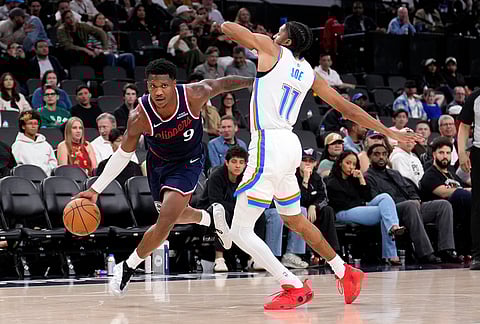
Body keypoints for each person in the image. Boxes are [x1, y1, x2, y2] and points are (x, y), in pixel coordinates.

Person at [219, 20, 418, 309]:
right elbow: (348, 109)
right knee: (294, 218)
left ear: (286, 41)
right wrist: (390, 132)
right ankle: (344, 270)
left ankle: (292, 285)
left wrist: (250, 34)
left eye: (280, 31)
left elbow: (228, 28)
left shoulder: (272, 49)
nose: (276, 33)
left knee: (240, 230)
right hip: (290, 144)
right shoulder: (308, 73)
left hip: (268, 143)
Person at [74, 59, 255, 296]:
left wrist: (254, 82)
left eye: (164, 86)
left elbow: (222, 83)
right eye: (152, 86)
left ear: (174, 84)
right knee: (176, 214)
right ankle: (208, 218)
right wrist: (95, 189)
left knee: (165, 222)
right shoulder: (140, 115)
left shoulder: (194, 95)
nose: (158, 91)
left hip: (188, 162)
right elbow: (122, 155)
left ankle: (126, 267)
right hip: (158, 164)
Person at [366, 143, 461, 264]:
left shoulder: (395, 173)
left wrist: (416, 198)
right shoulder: (368, 177)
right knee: (410, 205)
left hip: (412, 207)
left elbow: (410, 188)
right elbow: (375, 199)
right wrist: (412, 202)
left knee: (443, 205)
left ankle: (446, 250)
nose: (381, 157)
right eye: (377, 154)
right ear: (369, 157)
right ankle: (425, 253)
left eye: (384, 154)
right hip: (392, 212)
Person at [420, 136, 472, 260]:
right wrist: (466, 191)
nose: (445, 156)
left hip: (461, 211)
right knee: (461, 194)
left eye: (448, 153)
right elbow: (444, 192)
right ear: (434, 154)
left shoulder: (452, 173)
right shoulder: (429, 175)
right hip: (441, 211)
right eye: (441, 153)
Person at [457, 89, 480, 270]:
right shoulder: (475, 96)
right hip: (479, 151)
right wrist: (462, 151)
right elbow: (464, 126)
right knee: (478, 205)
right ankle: (478, 255)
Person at [11, 110, 57, 176]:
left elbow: (53, 163)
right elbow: (18, 166)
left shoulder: (46, 145)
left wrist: (46, 172)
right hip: (26, 180)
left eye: (35, 123)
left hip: (46, 180)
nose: (33, 126)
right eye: (30, 123)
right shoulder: (17, 145)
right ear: (23, 126)